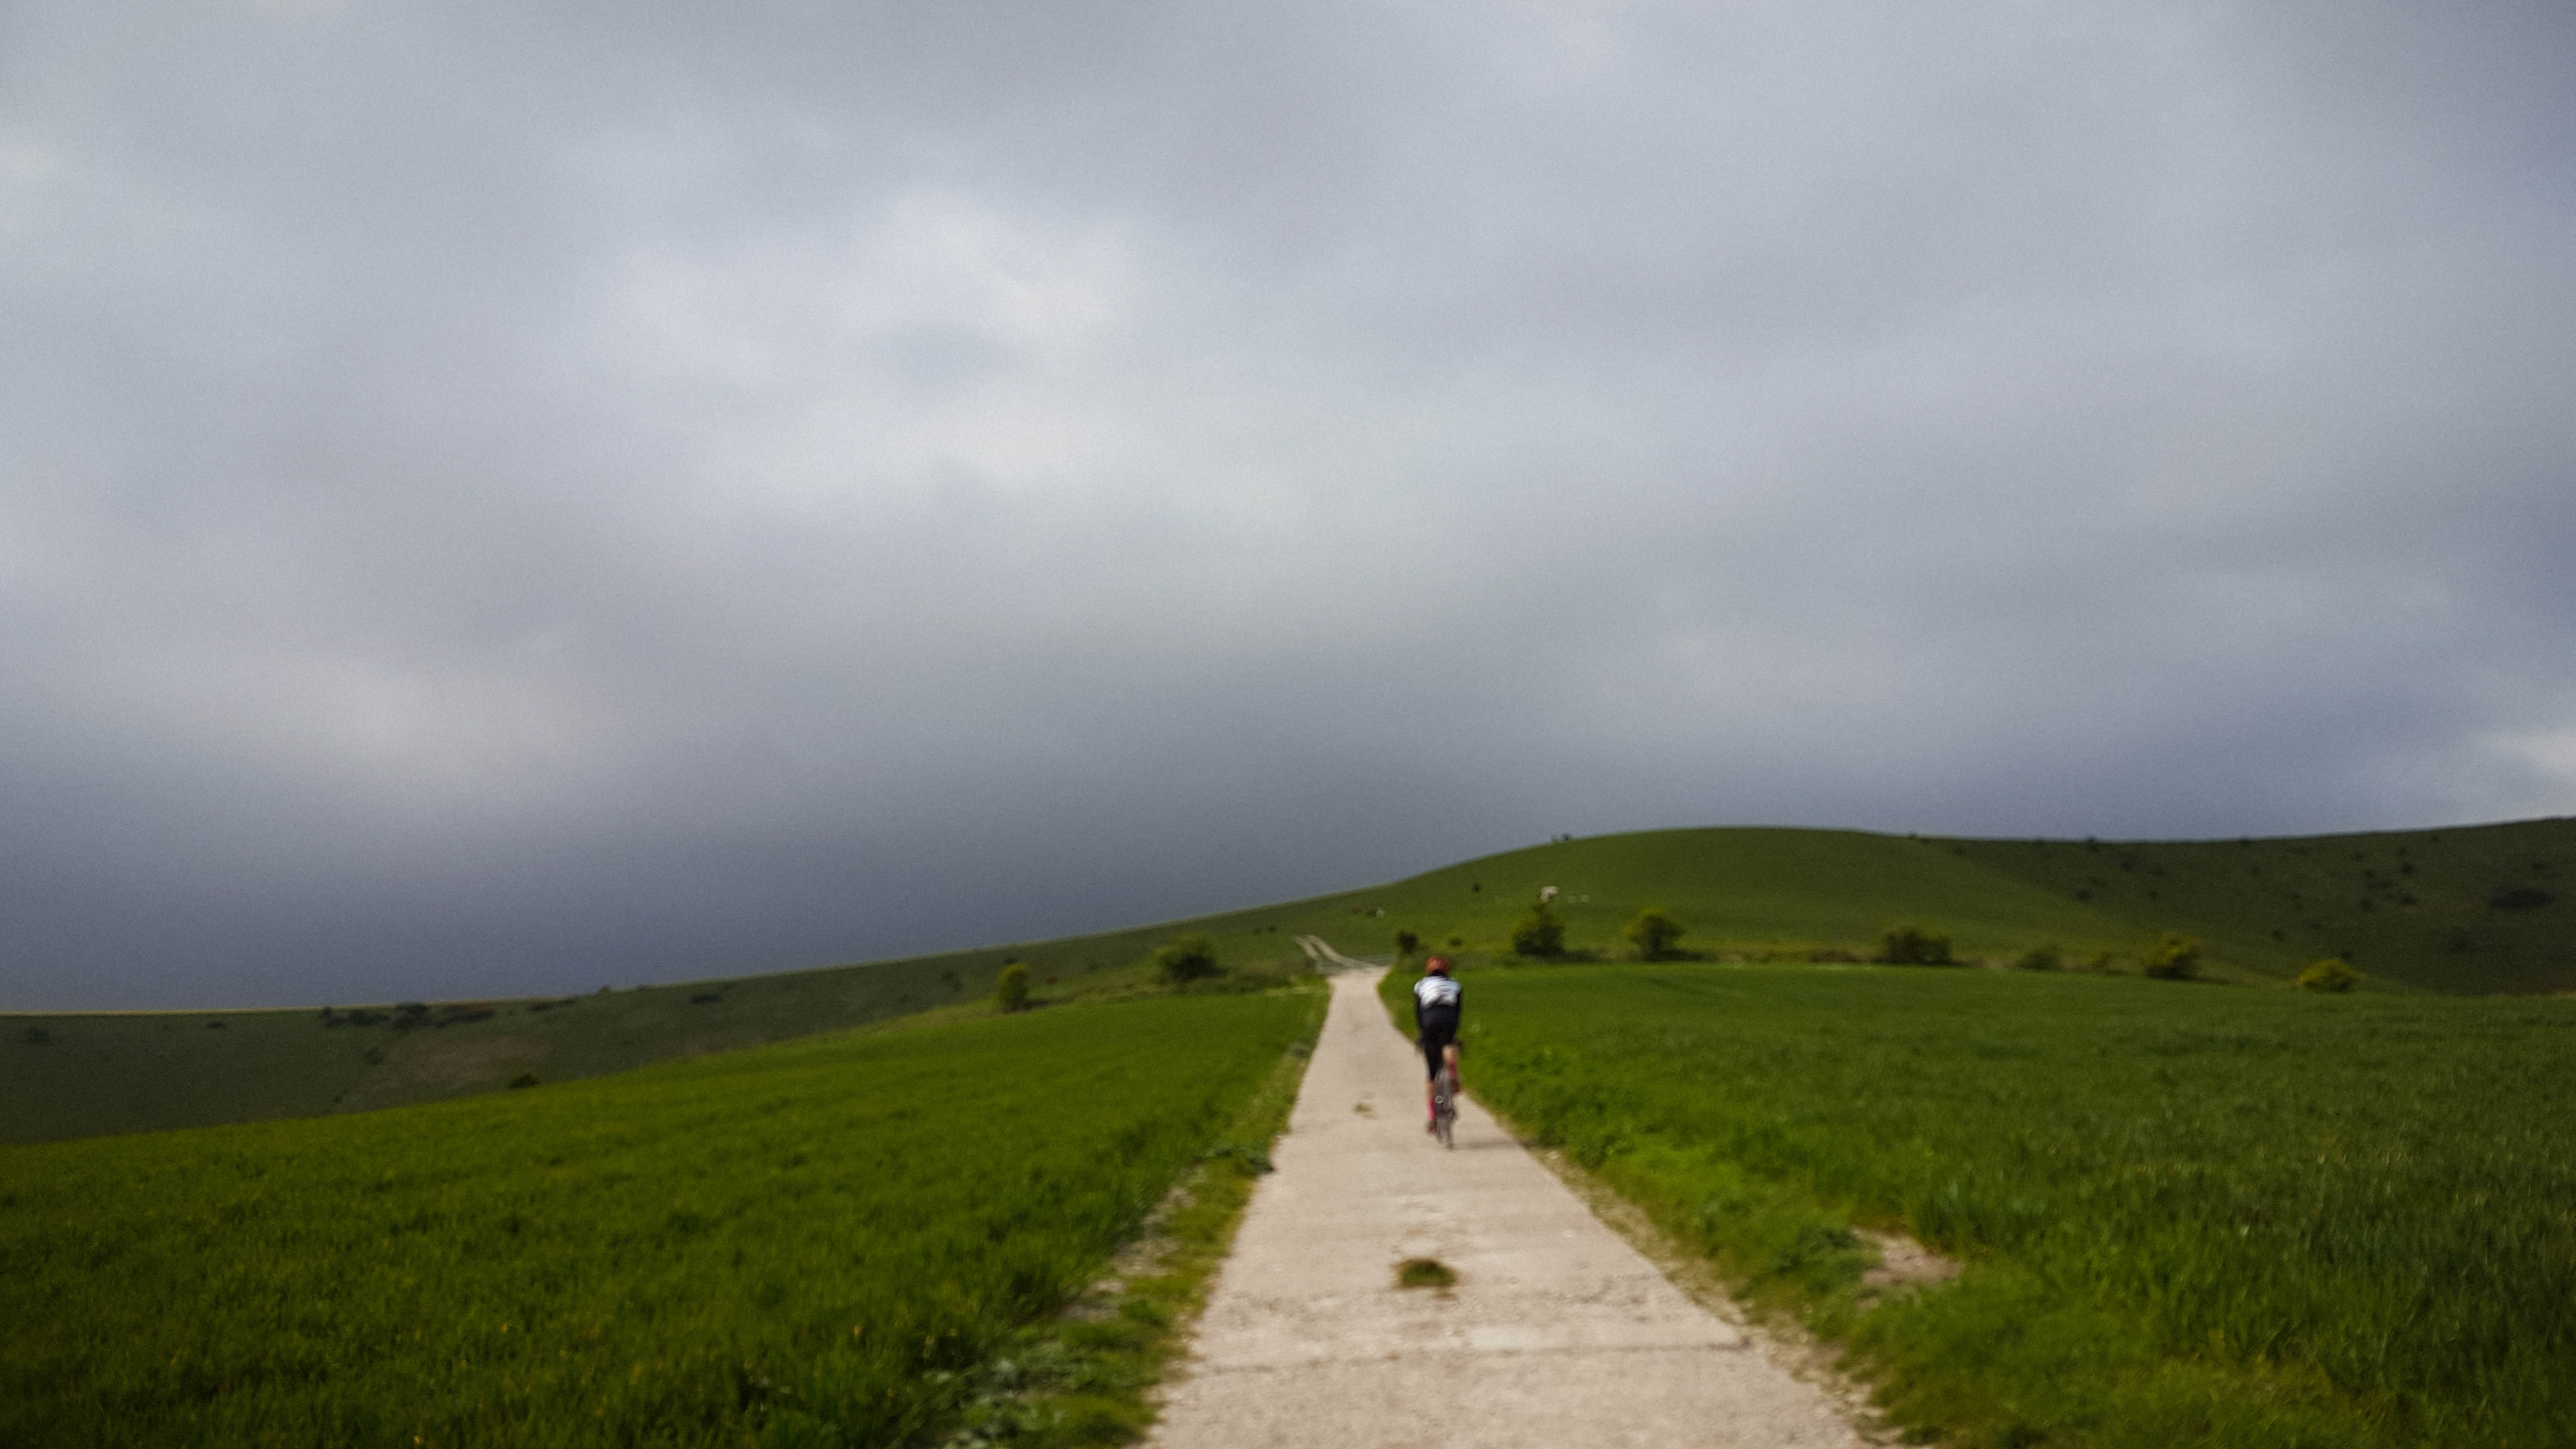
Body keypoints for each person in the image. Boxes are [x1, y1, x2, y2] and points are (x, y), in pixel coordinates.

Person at [1413, 955, 1463, 1132]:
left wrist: (1423, 1034)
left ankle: (1433, 1117)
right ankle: (1453, 1075)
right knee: (1449, 1044)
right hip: (1449, 1019)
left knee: (1431, 1074)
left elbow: (1418, 1011)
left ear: (1428, 971)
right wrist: (1453, 1033)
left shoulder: (1420, 985)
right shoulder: (1455, 985)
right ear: (1446, 971)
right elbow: (1458, 1010)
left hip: (1429, 1022)